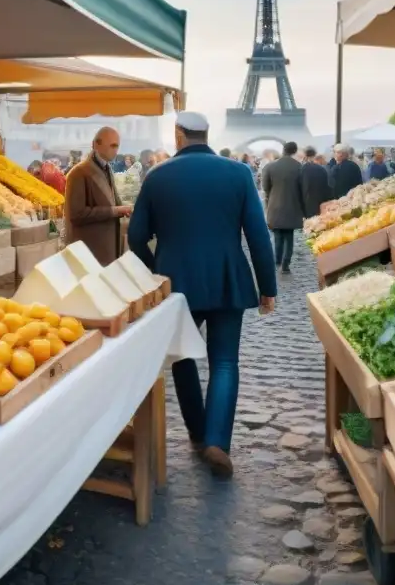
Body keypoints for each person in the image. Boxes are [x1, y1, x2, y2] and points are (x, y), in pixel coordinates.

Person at [128, 112, 276, 479]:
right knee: (225, 361)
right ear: (206, 134)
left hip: (177, 282)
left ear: (179, 134)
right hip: (229, 277)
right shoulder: (239, 173)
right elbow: (258, 235)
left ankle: (196, 431)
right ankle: (217, 441)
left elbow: (135, 237)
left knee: (182, 357)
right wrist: (267, 287)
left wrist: (156, 270)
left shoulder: (157, 176)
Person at [64, 127, 131, 266]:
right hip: (88, 253)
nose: (116, 150)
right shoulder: (78, 173)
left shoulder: (107, 169)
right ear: (96, 144)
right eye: (112, 145)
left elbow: (113, 201)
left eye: (117, 146)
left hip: (108, 252)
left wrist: (126, 209)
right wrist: (115, 211)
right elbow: (76, 214)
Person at [262, 141, 305, 274]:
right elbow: (302, 188)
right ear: (294, 151)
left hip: (275, 205)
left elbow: (265, 187)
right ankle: (286, 264)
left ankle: (277, 260)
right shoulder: (299, 167)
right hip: (292, 205)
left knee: (278, 235)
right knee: (289, 236)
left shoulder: (270, 167)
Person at [300, 146, 332, 218]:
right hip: (320, 204)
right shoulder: (321, 169)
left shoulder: (301, 169)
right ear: (315, 154)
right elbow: (327, 187)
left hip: (306, 204)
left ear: (305, 155)